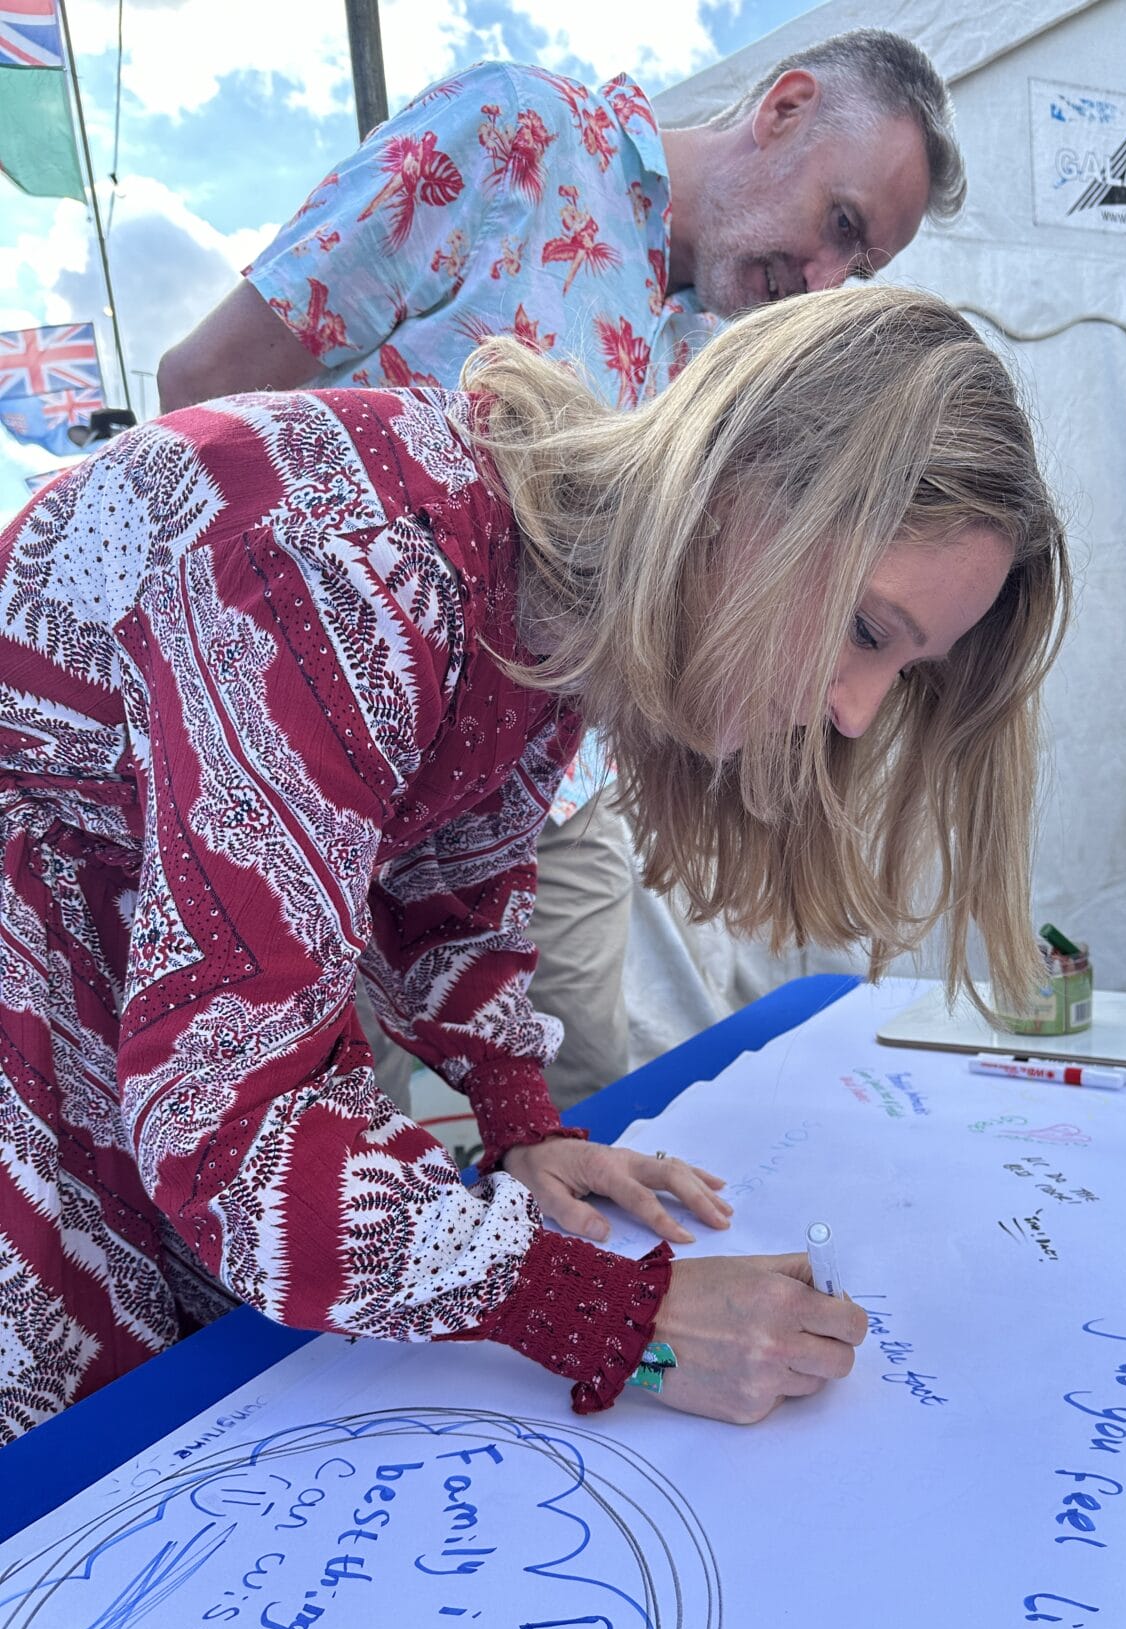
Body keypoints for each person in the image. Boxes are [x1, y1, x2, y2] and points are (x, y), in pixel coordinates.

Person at [0, 283, 1069, 1447]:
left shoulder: (538, 587)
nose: (860, 717)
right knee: (89, 1459)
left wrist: (519, 1122)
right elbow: (227, 1127)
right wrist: (619, 1313)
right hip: (42, 992)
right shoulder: (347, 563)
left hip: (128, 975)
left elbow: (453, 874)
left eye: (905, 673)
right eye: (868, 630)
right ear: (740, 482)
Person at [155, 30, 967, 1113]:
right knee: (301, 1129)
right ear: (783, 107)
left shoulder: (728, 362)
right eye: (840, 224)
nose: (822, 280)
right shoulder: (513, 139)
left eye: (857, 269)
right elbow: (205, 392)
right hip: (327, 771)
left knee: (576, 1109)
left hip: (549, 800)